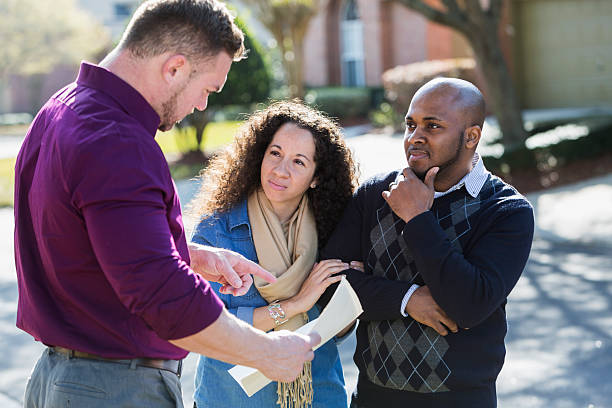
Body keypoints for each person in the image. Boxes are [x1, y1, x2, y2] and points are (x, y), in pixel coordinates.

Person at [14, 1, 319, 407]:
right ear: (174, 67)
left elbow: (80, 239)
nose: (202, 105)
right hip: (115, 388)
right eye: (207, 89)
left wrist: (187, 255)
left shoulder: (60, 109)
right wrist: (269, 353)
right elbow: (162, 297)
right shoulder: (118, 142)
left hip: (61, 378)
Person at [319, 78, 535, 408]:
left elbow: (469, 304)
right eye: (410, 124)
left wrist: (417, 219)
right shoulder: (375, 194)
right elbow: (328, 285)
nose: (415, 137)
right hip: (372, 398)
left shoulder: (506, 211)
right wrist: (407, 298)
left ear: (471, 136)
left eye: (432, 126)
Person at [188, 100, 360, 408]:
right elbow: (210, 328)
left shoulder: (334, 232)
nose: (280, 171)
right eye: (275, 153)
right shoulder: (218, 230)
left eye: (298, 162)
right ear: (260, 155)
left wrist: (352, 295)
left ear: (317, 177)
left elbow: (340, 331)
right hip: (232, 400)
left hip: (318, 396)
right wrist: (296, 304)